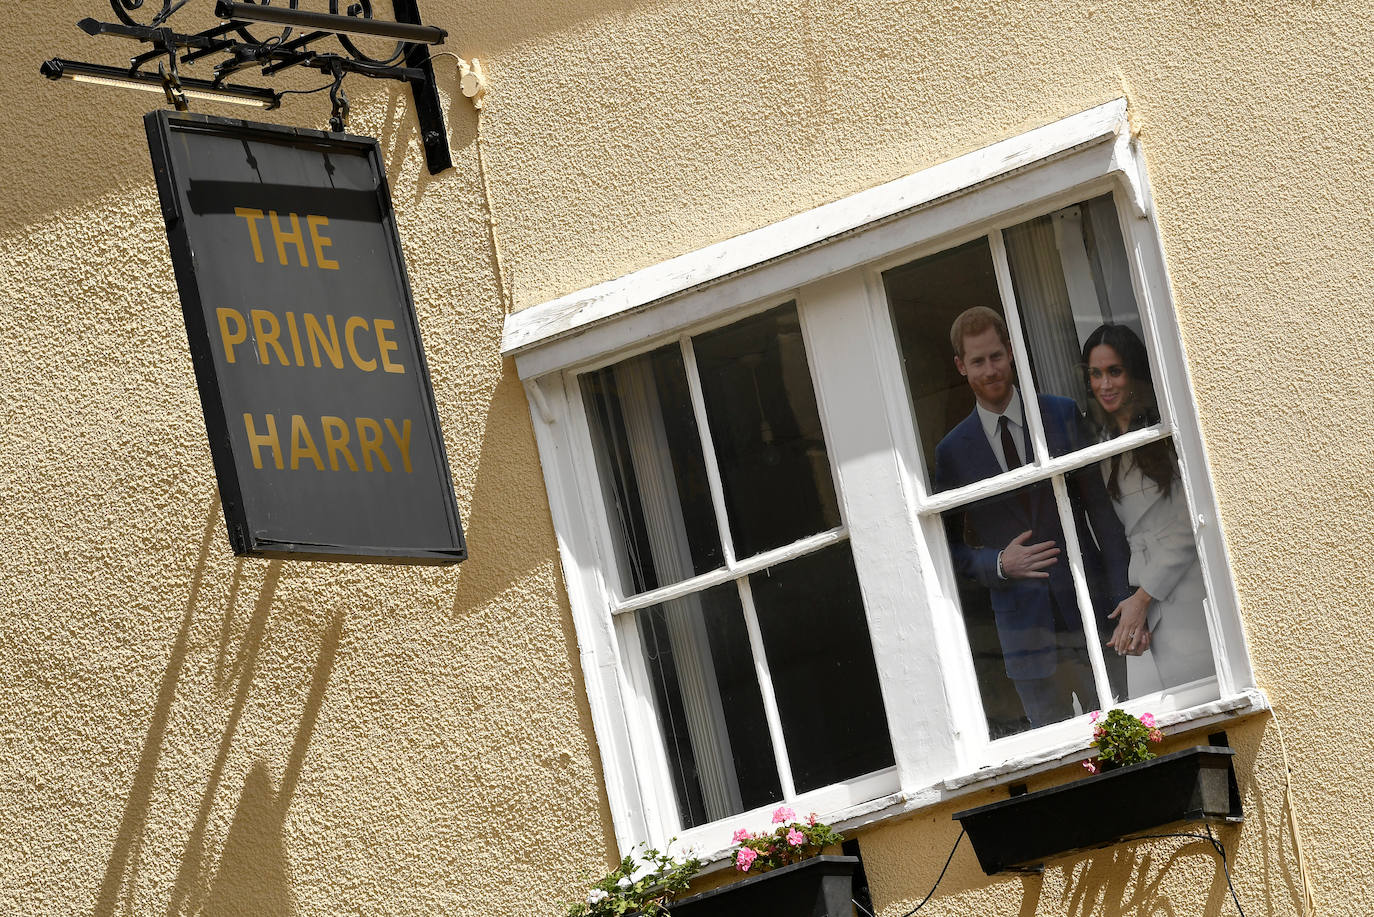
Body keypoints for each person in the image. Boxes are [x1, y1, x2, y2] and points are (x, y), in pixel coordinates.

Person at [934, 307, 1131, 727]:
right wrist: (998, 564)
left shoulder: (1060, 414)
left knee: (1125, 735)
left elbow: (1103, 514)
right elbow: (942, 550)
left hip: (1091, 612)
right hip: (1024, 636)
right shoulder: (952, 452)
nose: (990, 370)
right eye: (977, 361)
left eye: (996, 357)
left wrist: (1123, 596)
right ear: (961, 367)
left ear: (1009, 352)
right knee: (1055, 756)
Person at [1082, 324, 1215, 693]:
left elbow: (1191, 521)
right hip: (1144, 600)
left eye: (1114, 371)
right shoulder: (1101, 444)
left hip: (1185, 592)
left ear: (1135, 373)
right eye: (1095, 374)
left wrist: (1142, 599)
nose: (1104, 384)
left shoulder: (1162, 431)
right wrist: (1136, 608)